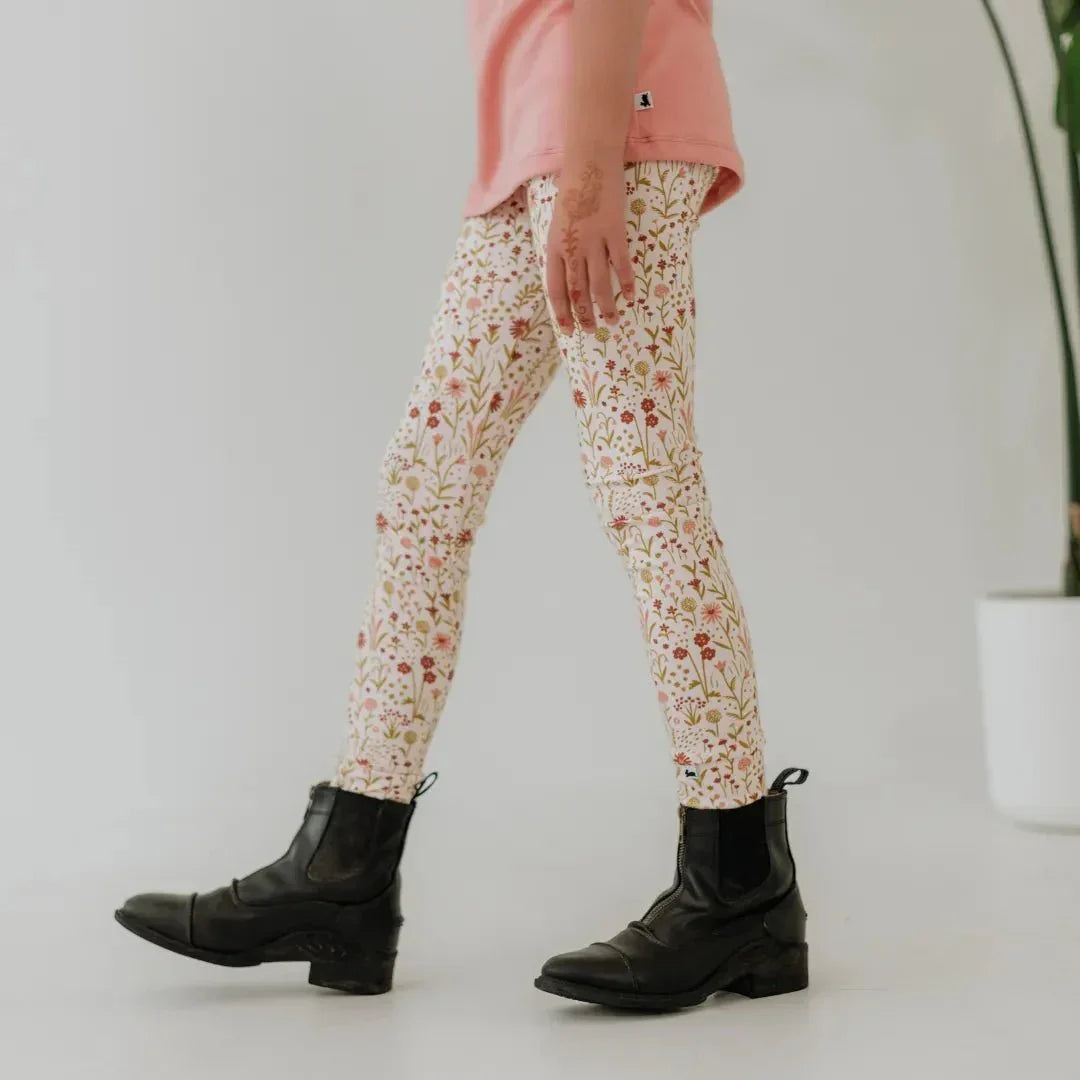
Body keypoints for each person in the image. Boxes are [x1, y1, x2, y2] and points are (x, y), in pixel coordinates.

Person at [115, 0, 811, 1011]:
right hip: (535, 140)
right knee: (424, 487)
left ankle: (738, 877)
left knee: (645, 486)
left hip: (612, 126)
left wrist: (589, 168)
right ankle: (345, 865)